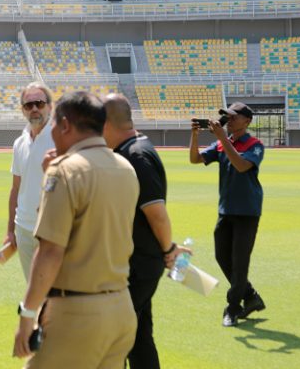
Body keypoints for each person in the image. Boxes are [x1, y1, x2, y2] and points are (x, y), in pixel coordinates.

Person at [13, 91, 139, 369]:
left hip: (77, 313)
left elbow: (50, 251)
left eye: (56, 124)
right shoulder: (126, 168)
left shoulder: (65, 171)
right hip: (121, 308)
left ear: (66, 125)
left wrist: (28, 314)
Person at [103, 93, 189, 369]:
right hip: (136, 260)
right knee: (138, 336)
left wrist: (168, 250)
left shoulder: (136, 155)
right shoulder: (131, 150)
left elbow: (156, 214)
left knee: (113, 332)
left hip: (140, 263)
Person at [189, 102, 266, 327]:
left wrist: (222, 138)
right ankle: (251, 296)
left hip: (247, 211)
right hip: (226, 209)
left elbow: (242, 166)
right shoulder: (223, 143)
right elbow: (195, 159)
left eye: (233, 117)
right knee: (222, 257)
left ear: (247, 121)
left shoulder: (255, 145)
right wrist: (195, 136)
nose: (228, 120)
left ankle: (233, 308)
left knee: (240, 262)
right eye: (227, 117)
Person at [4, 83, 55, 281]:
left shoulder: (60, 137)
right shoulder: (20, 143)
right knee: (33, 289)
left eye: (39, 103)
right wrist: (10, 230)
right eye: (28, 105)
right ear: (23, 110)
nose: (34, 109)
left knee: (57, 295)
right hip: (24, 229)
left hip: (53, 231)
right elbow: (16, 188)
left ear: (50, 106)